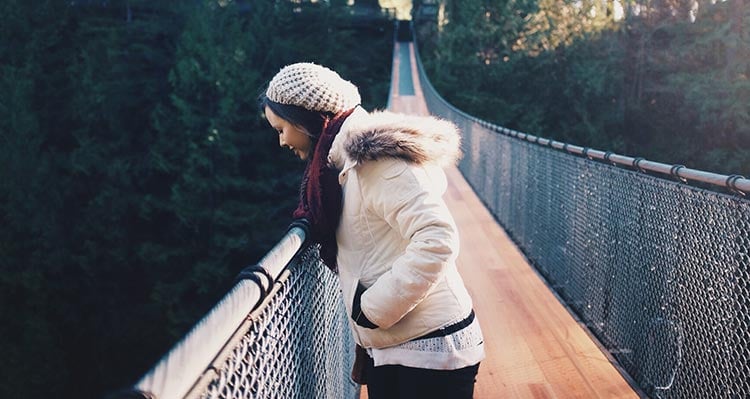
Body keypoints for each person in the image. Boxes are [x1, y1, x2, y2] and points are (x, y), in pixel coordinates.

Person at [260, 62, 484, 399]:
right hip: (395, 348)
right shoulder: (340, 164)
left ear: (305, 118)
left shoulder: (375, 161)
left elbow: (437, 239)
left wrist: (373, 310)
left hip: (431, 350)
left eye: (281, 129)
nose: (281, 141)